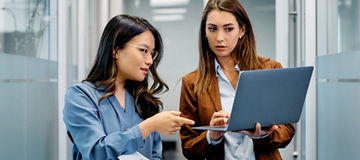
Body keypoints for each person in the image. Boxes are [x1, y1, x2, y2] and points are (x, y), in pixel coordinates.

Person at [63, 15, 194, 160]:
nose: (150, 60)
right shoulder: (81, 96)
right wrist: (148, 126)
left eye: (152, 53)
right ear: (116, 50)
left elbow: (155, 155)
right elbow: (96, 152)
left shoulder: (144, 102)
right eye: (143, 50)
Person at [179, 0, 295, 159]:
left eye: (228, 29)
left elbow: (287, 131)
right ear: (205, 32)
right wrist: (211, 136)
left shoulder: (271, 69)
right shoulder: (192, 83)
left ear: (242, 30)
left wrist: (262, 135)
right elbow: (188, 148)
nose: (220, 38)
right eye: (212, 29)